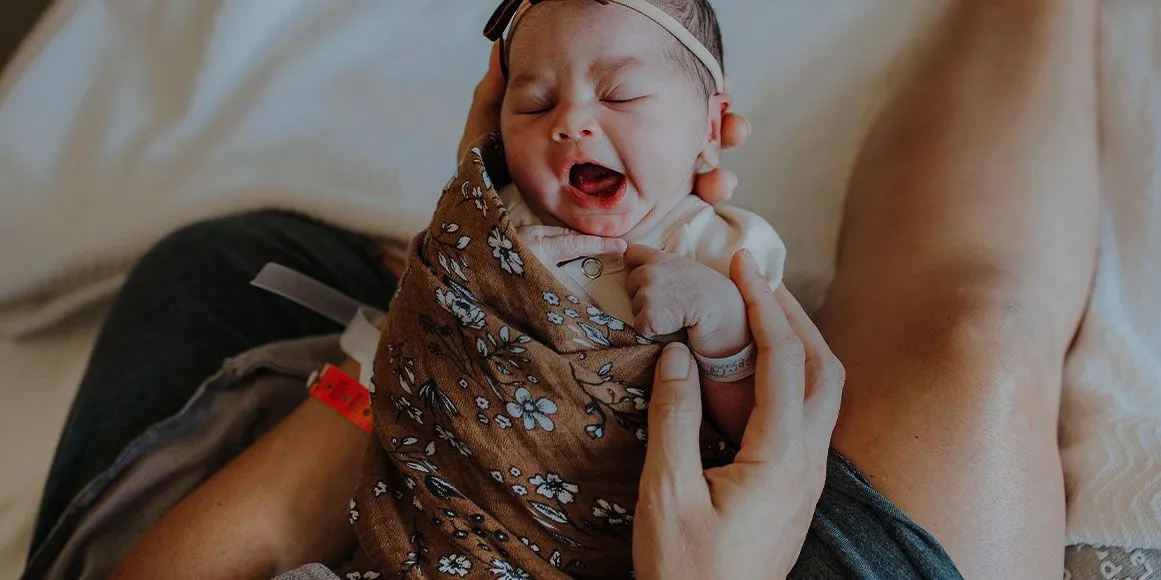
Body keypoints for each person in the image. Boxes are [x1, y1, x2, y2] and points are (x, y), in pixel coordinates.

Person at [33, 0, 1098, 577]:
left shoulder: (701, 236)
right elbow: (752, 403)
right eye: (533, 102)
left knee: (217, 269)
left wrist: (450, 299)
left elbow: (738, 346)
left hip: (421, 465)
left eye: (619, 93)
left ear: (712, 122)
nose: (572, 123)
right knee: (979, 333)